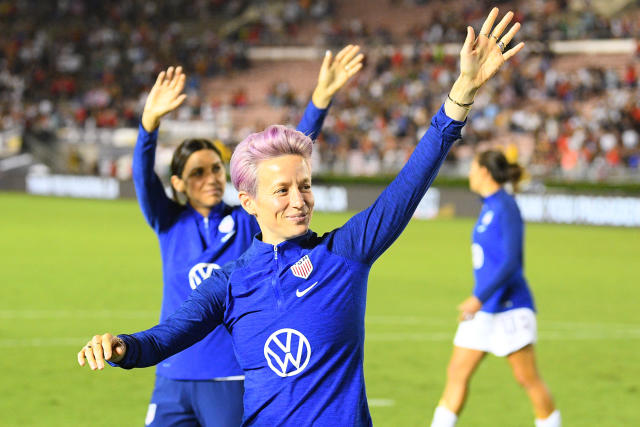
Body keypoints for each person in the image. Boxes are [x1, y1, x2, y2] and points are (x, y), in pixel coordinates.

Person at [78, 8, 524, 426]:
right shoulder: (229, 283)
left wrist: (461, 94)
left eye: (305, 185)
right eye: (282, 190)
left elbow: (407, 185)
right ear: (248, 201)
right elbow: (163, 339)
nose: (299, 200)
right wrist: (120, 346)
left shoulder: (345, 253)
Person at [130, 45, 364, 427]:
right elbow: (142, 178)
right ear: (177, 183)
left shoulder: (246, 220)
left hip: (229, 375)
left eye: (216, 169)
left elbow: (282, 163)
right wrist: (148, 126)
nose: (211, 178)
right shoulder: (169, 223)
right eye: (198, 173)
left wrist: (319, 101)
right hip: (172, 375)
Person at [429, 149, 561, 427]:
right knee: (456, 374)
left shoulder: (505, 206)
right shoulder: (488, 206)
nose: (469, 173)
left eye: (473, 168)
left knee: (527, 378)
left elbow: (512, 261)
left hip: (510, 307)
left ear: (485, 172)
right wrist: (480, 301)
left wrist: (478, 298)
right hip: (484, 309)